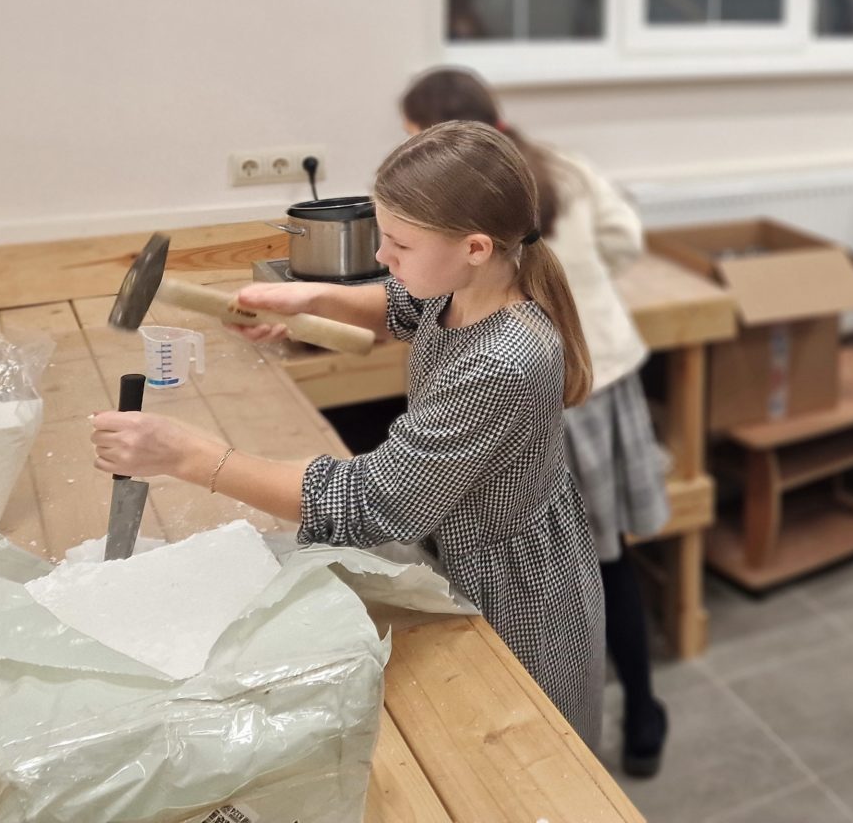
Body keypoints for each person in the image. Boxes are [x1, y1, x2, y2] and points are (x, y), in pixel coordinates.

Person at [89, 121, 605, 744]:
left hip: (509, 590)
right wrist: (308, 301)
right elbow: (401, 306)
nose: (382, 258)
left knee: (521, 752)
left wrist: (186, 455)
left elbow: (366, 504)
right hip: (449, 544)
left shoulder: (504, 362)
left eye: (399, 244)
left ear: (474, 247)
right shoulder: (470, 284)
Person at [400, 67, 672, 777]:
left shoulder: (496, 303)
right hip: (602, 367)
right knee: (606, 555)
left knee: (571, 559)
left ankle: (575, 715)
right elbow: (624, 238)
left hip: (571, 385)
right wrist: (580, 286)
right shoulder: (562, 166)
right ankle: (642, 712)